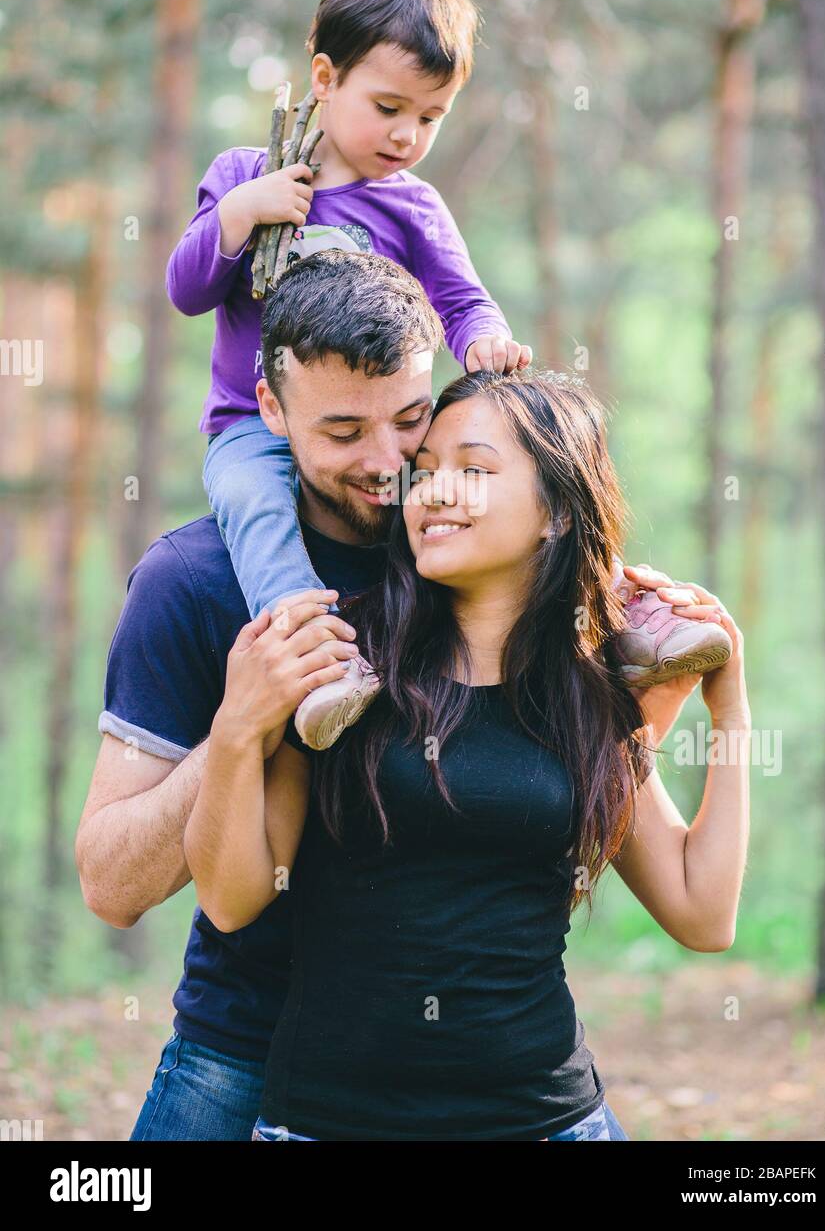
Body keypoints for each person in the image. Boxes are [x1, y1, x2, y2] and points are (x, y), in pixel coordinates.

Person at [80, 250, 703, 1141]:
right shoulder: (195, 583)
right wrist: (244, 728)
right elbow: (110, 883)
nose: (388, 465)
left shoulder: (467, 549)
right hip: (242, 1047)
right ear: (269, 410)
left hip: (473, 1081)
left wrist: (655, 662)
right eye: (341, 432)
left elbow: (541, 797)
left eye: (408, 419)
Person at [166, 0, 730, 751]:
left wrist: (485, 340)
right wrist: (237, 216)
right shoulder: (247, 174)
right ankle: (322, 667)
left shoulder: (413, 204)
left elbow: (462, 300)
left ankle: (620, 620)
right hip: (250, 427)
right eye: (389, 108)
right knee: (256, 510)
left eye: (431, 118)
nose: (407, 136)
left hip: (384, 430)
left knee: (507, 490)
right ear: (324, 78)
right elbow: (187, 290)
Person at [186, 365, 750, 1143]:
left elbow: (702, 910)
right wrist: (236, 729)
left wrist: (731, 702)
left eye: (474, 470)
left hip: (547, 1124)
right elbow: (229, 896)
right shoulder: (342, 662)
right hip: (330, 1123)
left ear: (556, 511)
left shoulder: (587, 694)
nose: (435, 492)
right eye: (424, 474)